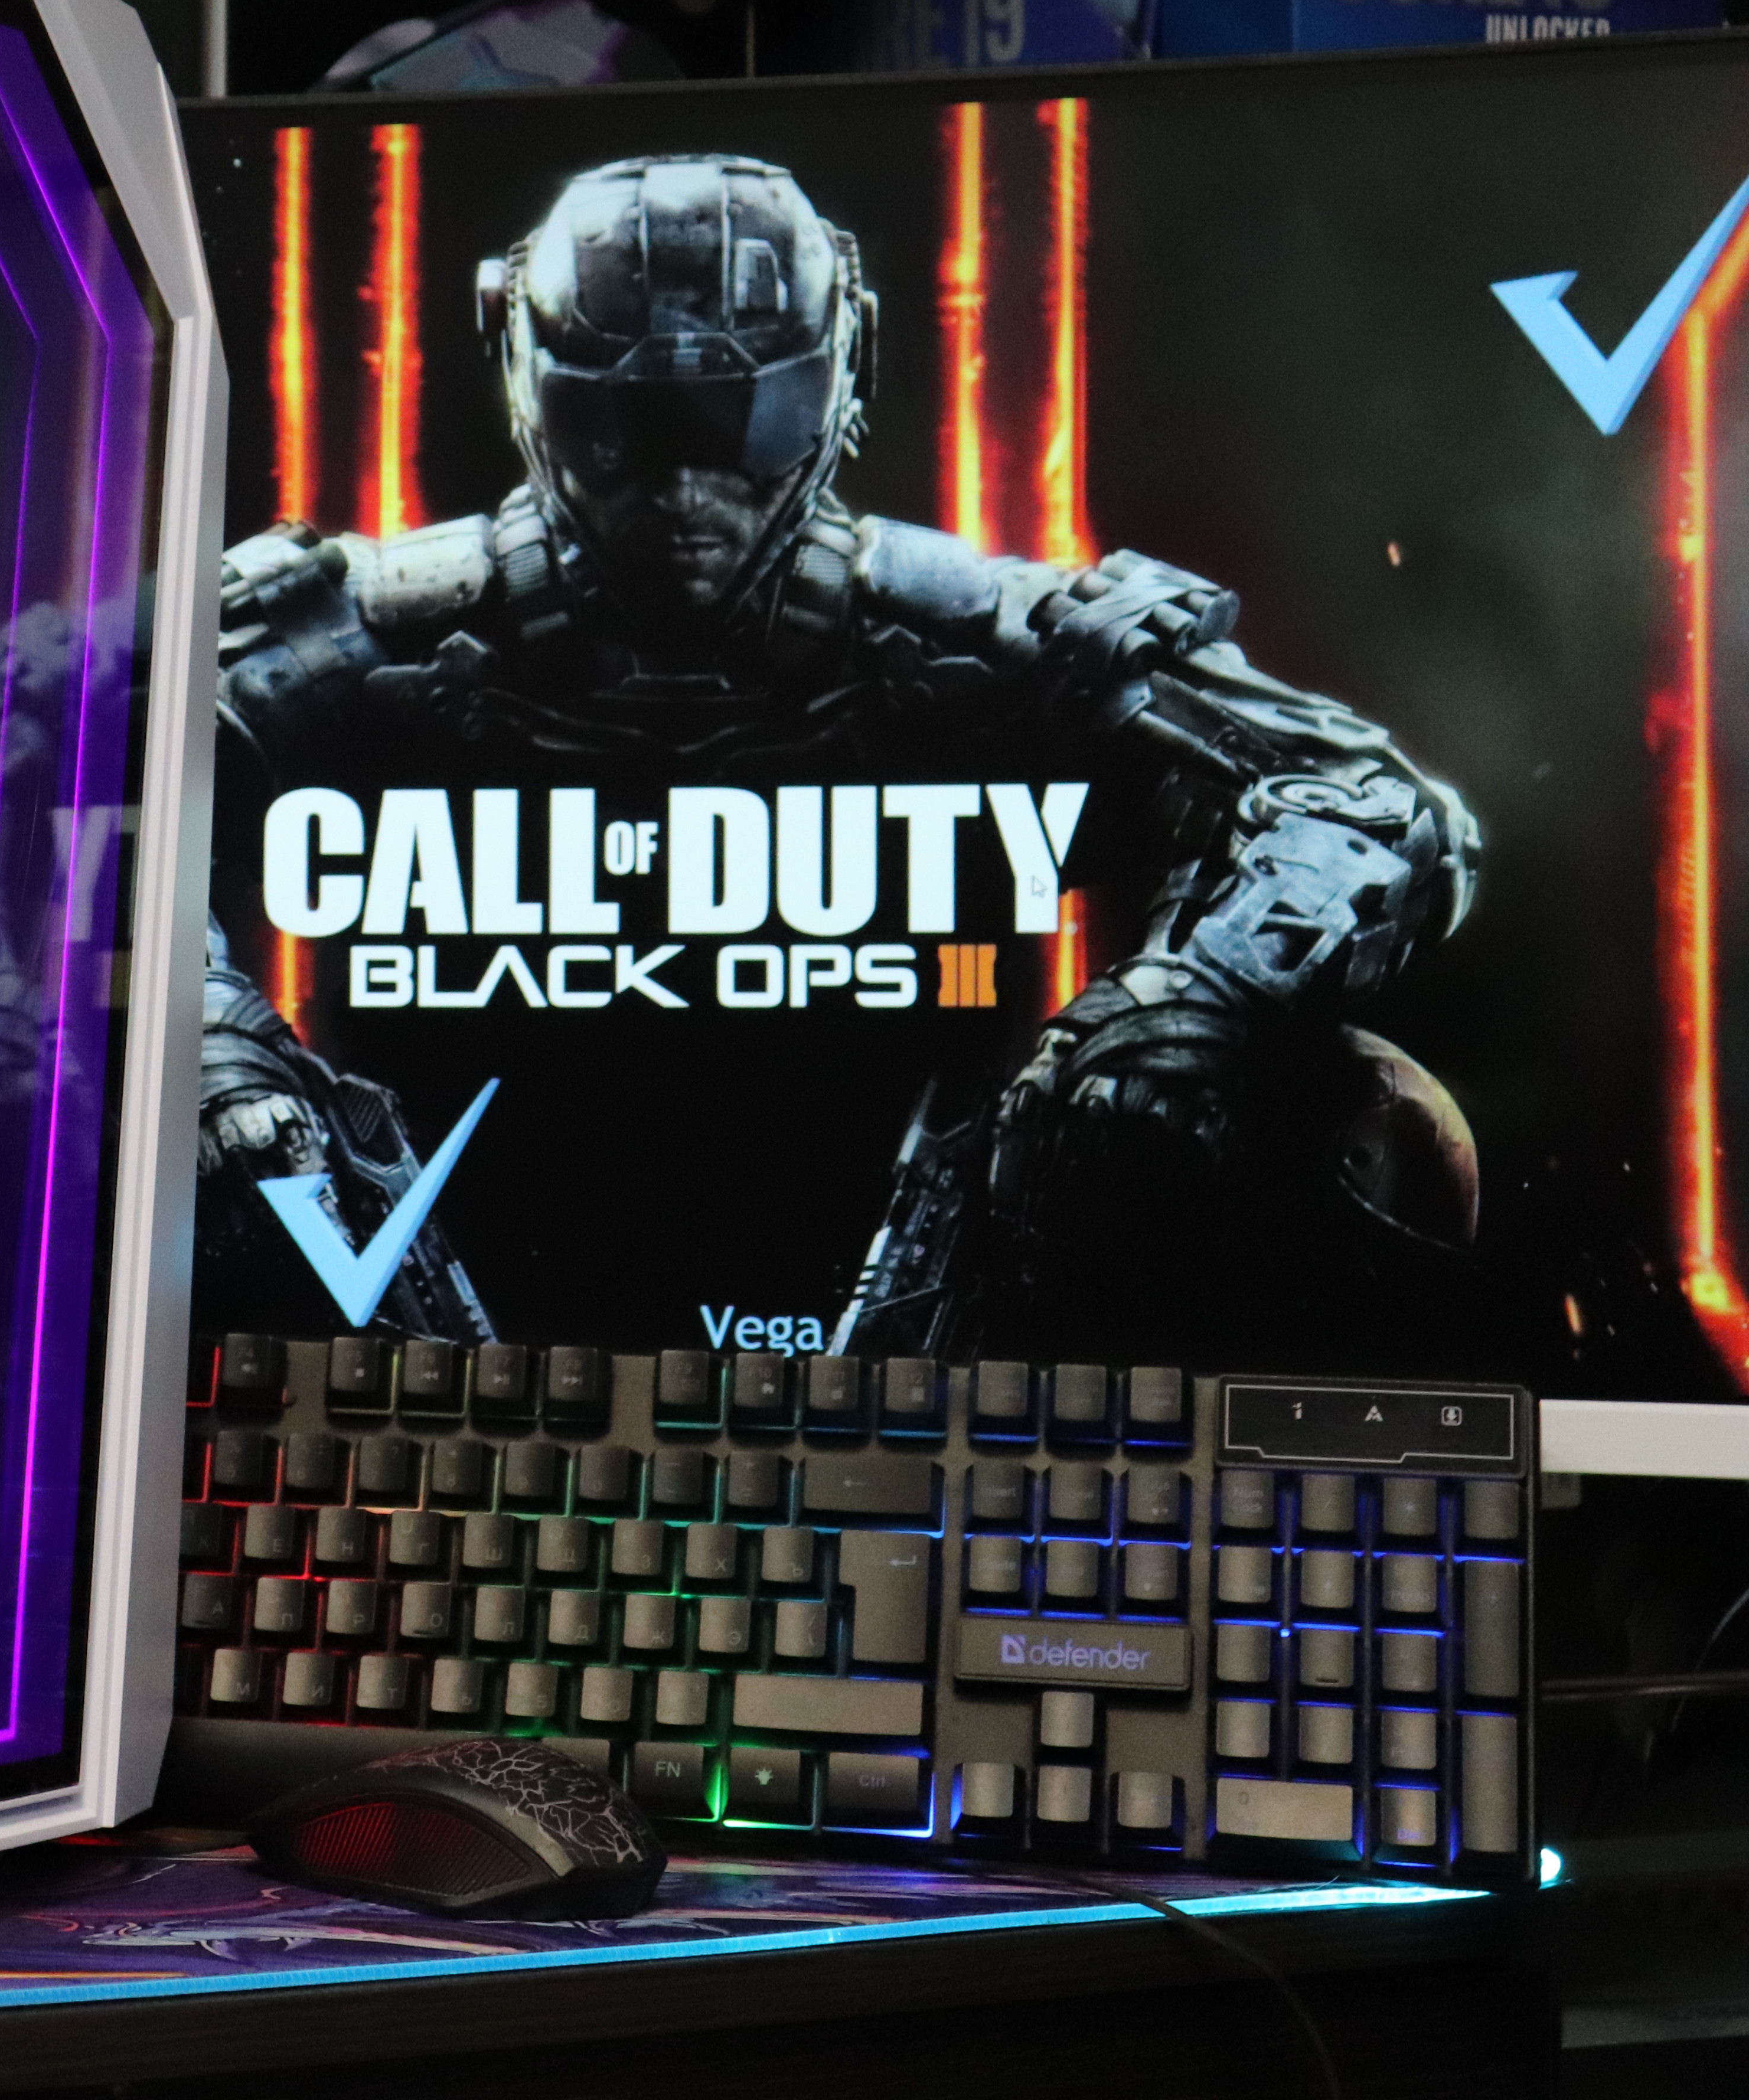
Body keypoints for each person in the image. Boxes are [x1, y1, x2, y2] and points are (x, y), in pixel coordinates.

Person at [200, 154, 1480, 1363]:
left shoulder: (977, 638)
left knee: (1337, 1108)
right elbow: (87, 778)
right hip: (408, 1330)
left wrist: (1188, 1003)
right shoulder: (365, 634)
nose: (686, 493)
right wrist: (213, 1040)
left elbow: (1366, 804)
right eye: (629, 431)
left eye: (738, 425)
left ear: (829, 380)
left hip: (939, 1326)